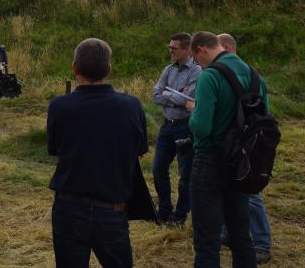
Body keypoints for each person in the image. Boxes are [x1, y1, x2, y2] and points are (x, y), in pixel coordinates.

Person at [47, 38, 148, 268]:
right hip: (111, 210)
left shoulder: (58, 106)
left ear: (74, 67)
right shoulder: (131, 105)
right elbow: (139, 152)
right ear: (108, 70)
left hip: (68, 207)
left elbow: (55, 150)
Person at [187, 31, 268, 267]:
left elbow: (201, 128)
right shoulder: (255, 76)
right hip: (243, 162)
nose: (197, 64)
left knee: (207, 238)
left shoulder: (209, 76)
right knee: (241, 234)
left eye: (196, 58)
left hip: (210, 161)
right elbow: (265, 117)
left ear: (201, 50)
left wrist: (194, 111)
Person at [217, 33, 272, 264]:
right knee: (227, 191)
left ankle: (261, 243)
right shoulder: (251, 76)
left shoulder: (250, 76)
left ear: (228, 47)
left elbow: (264, 114)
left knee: (251, 195)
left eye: (218, 49)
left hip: (247, 145)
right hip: (230, 145)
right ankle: (229, 232)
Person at [151, 32, 201, 226]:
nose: (170, 51)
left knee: (185, 174)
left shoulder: (196, 71)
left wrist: (168, 95)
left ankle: (180, 215)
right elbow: (155, 95)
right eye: (170, 47)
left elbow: (190, 100)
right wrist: (177, 96)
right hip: (167, 126)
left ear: (187, 49)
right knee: (157, 169)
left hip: (185, 128)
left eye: (174, 48)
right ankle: (164, 209)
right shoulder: (168, 70)